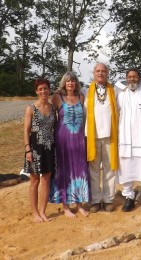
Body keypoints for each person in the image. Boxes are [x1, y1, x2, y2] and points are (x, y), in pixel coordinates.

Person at [49, 72, 90, 218]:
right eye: (67, 81)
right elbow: (49, 116)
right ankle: (66, 206)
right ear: (64, 83)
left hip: (79, 139)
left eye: (72, 81)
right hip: (62, 140)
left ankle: (79, 205)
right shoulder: (57, 98)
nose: (70, 83)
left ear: (76, 83)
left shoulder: (81, 97)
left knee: (80, 171)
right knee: (64, 171)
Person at [117, 68, 141, 212]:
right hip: (126, 139)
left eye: (135, 77)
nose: (132, 79)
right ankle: (129, 197)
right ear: (126, 79)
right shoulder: (120, 96)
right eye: (129, 77)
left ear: (139, 78)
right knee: (126, 168)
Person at [85, 63, 119, 213]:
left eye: (103, 71)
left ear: (107, 73)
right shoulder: (86, 92)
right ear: (93, 73)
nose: (100, 73)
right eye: (98, 71)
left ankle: (108, 199)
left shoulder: (115, 91)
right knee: (93, 169)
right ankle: (96, 200)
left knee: (110, 168)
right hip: (92, 136)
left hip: (110, 135)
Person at [23, 78, 56, 222]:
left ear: (49, 90)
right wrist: (28, 150)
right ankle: (35, 212)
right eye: (40, 89)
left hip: (49, 147)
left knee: (46, 180)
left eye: (46, 88)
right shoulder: (31, 108)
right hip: (35, 147)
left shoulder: (53, 107)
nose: (43, 91)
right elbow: (26, 131)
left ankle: (43, 211)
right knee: (34, 180)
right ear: (36, 91)